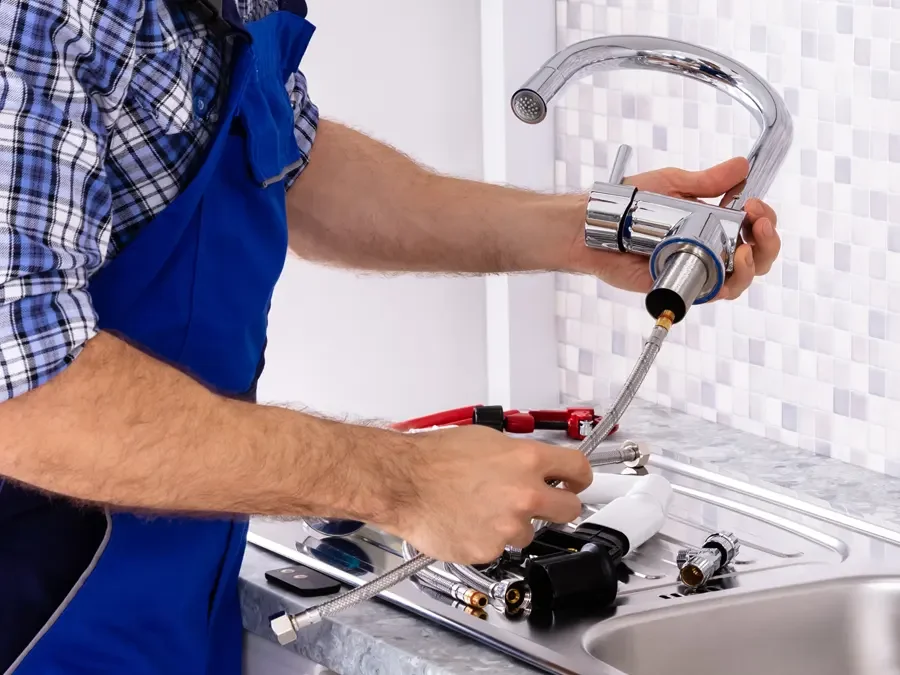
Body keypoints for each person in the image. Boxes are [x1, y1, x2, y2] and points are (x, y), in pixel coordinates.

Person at [0, 1, 780, 673]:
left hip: (159, 605)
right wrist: (402, 481)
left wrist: (584, 228)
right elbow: (24, 398)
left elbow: (290, 158)